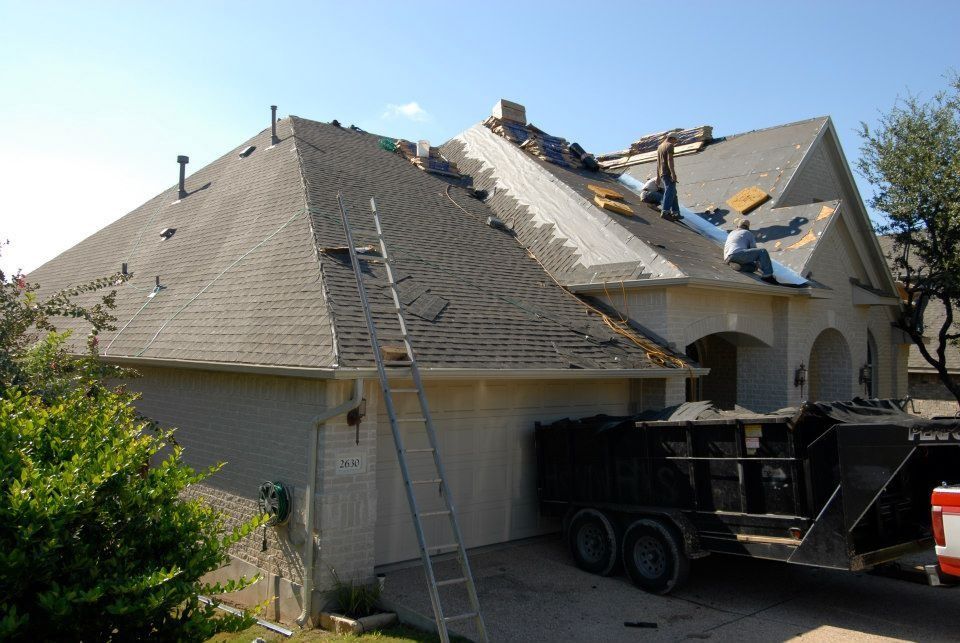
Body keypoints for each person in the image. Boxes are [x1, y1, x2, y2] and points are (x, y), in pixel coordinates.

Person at [724, 219, 779, 285]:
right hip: (737, 254)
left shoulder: (731, 233)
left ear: (737, 226)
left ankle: (738, 266)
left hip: (727, 258)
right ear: (748, 228)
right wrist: (763, 267)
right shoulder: (748, 233)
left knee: (753, 267)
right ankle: (768, 276)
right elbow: (754, 250)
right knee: (762, 251)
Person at [657, 132, 683, 221]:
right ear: (672, 138)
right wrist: (673, 173)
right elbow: (670, 160)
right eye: (675, 141)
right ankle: (665, 212)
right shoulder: (669, 145)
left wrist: (658, 176)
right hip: (667, 173)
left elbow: (658, 163)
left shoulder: (660, 147)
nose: (675, 143)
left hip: (662, 173)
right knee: (669, 191)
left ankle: (676, 212)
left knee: (673, 192)